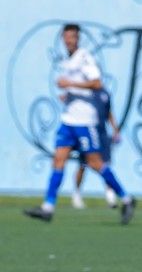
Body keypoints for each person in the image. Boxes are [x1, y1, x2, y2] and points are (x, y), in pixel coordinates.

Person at [24, 23, 136, 224]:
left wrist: (71, 85)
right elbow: (82, 89)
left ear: (78, 38)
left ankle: (126, 199)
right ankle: (48, 207)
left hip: (85, 122)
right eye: (66, 37)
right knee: (58, 160)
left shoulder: (84, 57)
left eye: (72, 37)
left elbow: (97, 83)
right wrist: (68, 96)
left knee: (95, 163)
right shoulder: (68, 61)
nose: (69, 40)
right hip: (68, 121)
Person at [70, 86, 121, 210]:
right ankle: (76, 194)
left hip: (102, 135)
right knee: (83, 165)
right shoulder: (83, 92)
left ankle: (110, 196)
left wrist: (115, 130)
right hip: (87, 132)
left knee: (105, 165)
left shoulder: (104, 94)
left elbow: (109, 113)